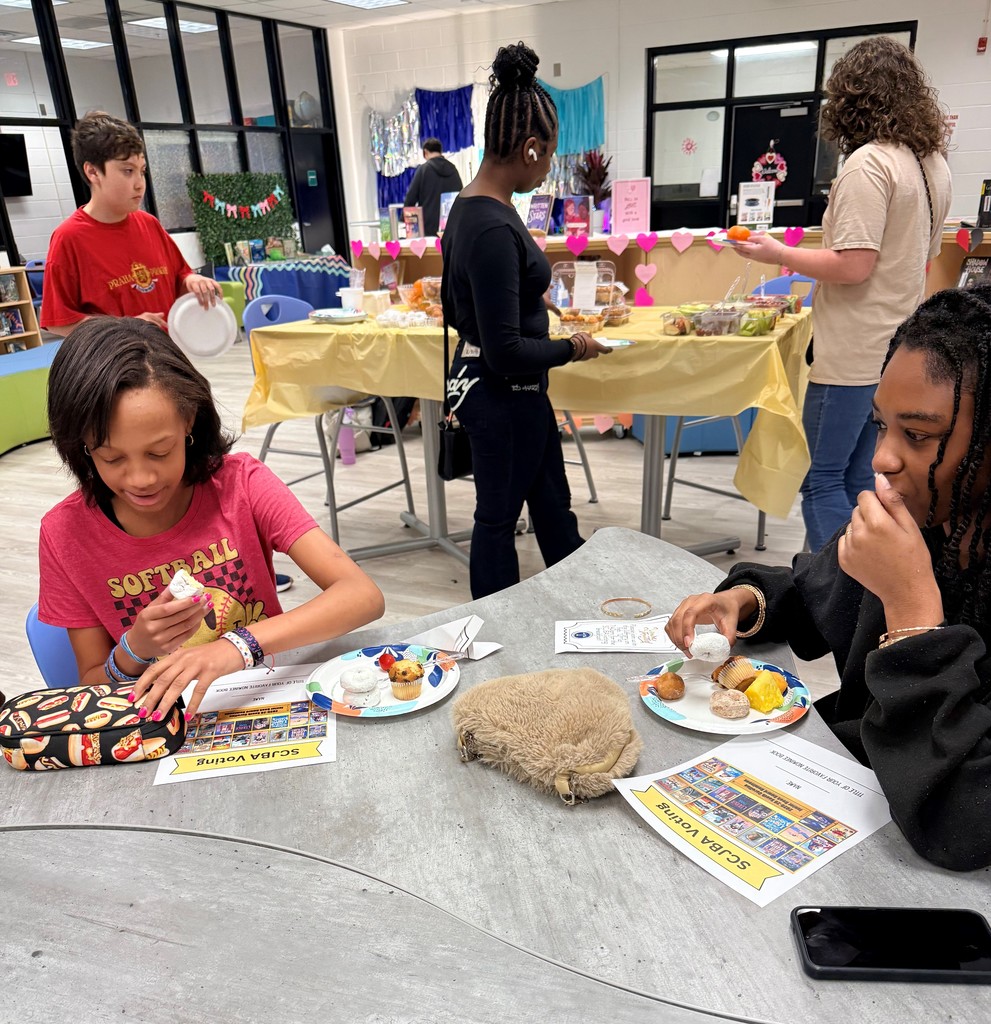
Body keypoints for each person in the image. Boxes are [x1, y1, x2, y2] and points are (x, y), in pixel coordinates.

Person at [664, 286, 991, 872]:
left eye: (917, 435)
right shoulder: (925, 519)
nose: (883, 458)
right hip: (845, 795)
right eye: (881, 427)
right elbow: (812, 590)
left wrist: (912, 612)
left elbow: (964, 821)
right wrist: (746, 598)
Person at [38, 317, 385, 721]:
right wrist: (133, 648)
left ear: (189, 421)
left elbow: (362, 596)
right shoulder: (65, 533)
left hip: (268, 699)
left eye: (160, 451)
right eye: (111, 457)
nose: (141, 479)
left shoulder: (241, 484)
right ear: (80, 446)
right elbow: (91, 687)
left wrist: (234, 647)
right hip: (168, 729)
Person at [732, 37, 952, 551]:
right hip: (896, 346)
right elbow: (919, 257)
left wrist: (776, 254)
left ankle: (837, 593)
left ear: (850, 99)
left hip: (852, 350)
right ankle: (867, 590)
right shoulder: (930, 163)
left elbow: (854, 265)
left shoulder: (869, 163)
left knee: (823, 479)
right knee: (863, 480)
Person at [440, 41, 610, 600]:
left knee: (554, 512)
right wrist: (573, 348)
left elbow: (461, 302)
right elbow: (504, 350)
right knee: (497, 520)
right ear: (531, 148)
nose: (549, 167)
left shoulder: (476, 208)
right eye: (551, 153)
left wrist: (535, 305)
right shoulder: (489, 224)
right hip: (503, 394)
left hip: (517, 398)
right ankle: (498, 629)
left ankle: (589, 607)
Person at [40, 111, 222, 338]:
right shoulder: (69, 238)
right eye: (127, 171)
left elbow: (179, 277)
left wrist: (195, 281)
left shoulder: (149, 224)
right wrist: (124, 327)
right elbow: (59, 322)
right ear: (93, 172)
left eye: (142, 171)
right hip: (115, 367)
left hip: (167, 357)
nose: (139, 184)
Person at [403, 137, 463, 236]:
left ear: (425, 152)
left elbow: (411, 199)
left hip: (427, 228)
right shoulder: (453, 170)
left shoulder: (423, 170)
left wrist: (405, 221)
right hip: (451, 228)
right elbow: (461, 196)